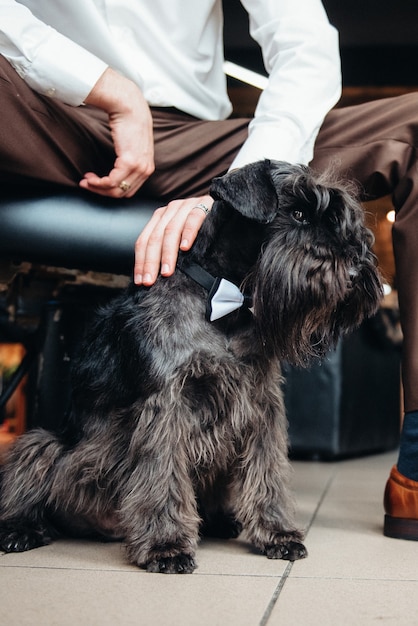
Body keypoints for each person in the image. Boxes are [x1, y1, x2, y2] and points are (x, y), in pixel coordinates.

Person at [1, 0, 418, 540]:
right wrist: (108, 88)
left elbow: (305, 42)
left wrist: (243, 186)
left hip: (205, 146)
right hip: (51, 112)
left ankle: (416, 467)